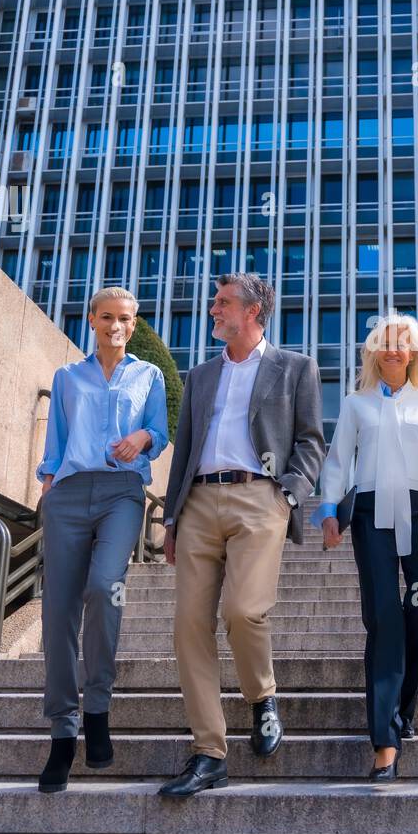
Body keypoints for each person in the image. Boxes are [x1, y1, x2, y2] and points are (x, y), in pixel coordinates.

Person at [158, 273, 324, 798]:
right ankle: (209, 752)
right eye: (214, 303)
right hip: (199, 503)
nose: (213, 310)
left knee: (244, 611)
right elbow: (184, 447)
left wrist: (288, 494)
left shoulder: (294, 367)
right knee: (189, 625)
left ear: (252, 312)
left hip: (260, 498)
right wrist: (169, 518)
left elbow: (312, 440)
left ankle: (262, 697)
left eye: (223, 303)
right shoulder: (202, 374)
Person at [311, 315, 418, 781]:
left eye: (401, 344)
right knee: (384, 617)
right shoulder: (356, 404)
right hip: (370, 514)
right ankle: (385, 741)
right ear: (374, 353)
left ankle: (402, 701)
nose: (392, 351)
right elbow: (338, 461)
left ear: (413, 352)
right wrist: (329, 510)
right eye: (384, 344)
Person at [36, 287, 169, 793]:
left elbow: (158, 427)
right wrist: (47, 488)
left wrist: (144, 439)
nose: (115, 325)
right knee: (59, 613)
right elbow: (57, 440)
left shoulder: (149, 375)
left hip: (122, 494)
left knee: (105, 587)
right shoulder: (68, 377)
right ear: (92, 319)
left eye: (124, 319)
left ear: (133, 326)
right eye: (106, 316)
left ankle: (98, 707)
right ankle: (63, 733)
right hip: (69, 494)